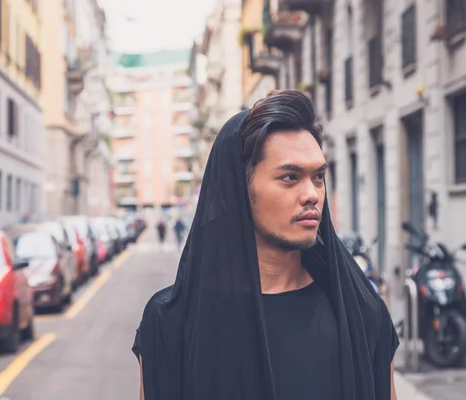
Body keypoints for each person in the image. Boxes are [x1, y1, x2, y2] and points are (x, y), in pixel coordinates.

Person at [133, 90, 398, 400]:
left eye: (318, 176)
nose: (312, 194)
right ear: (239, 190)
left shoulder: (362, 312)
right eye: (290, 177)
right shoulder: (172, 322)